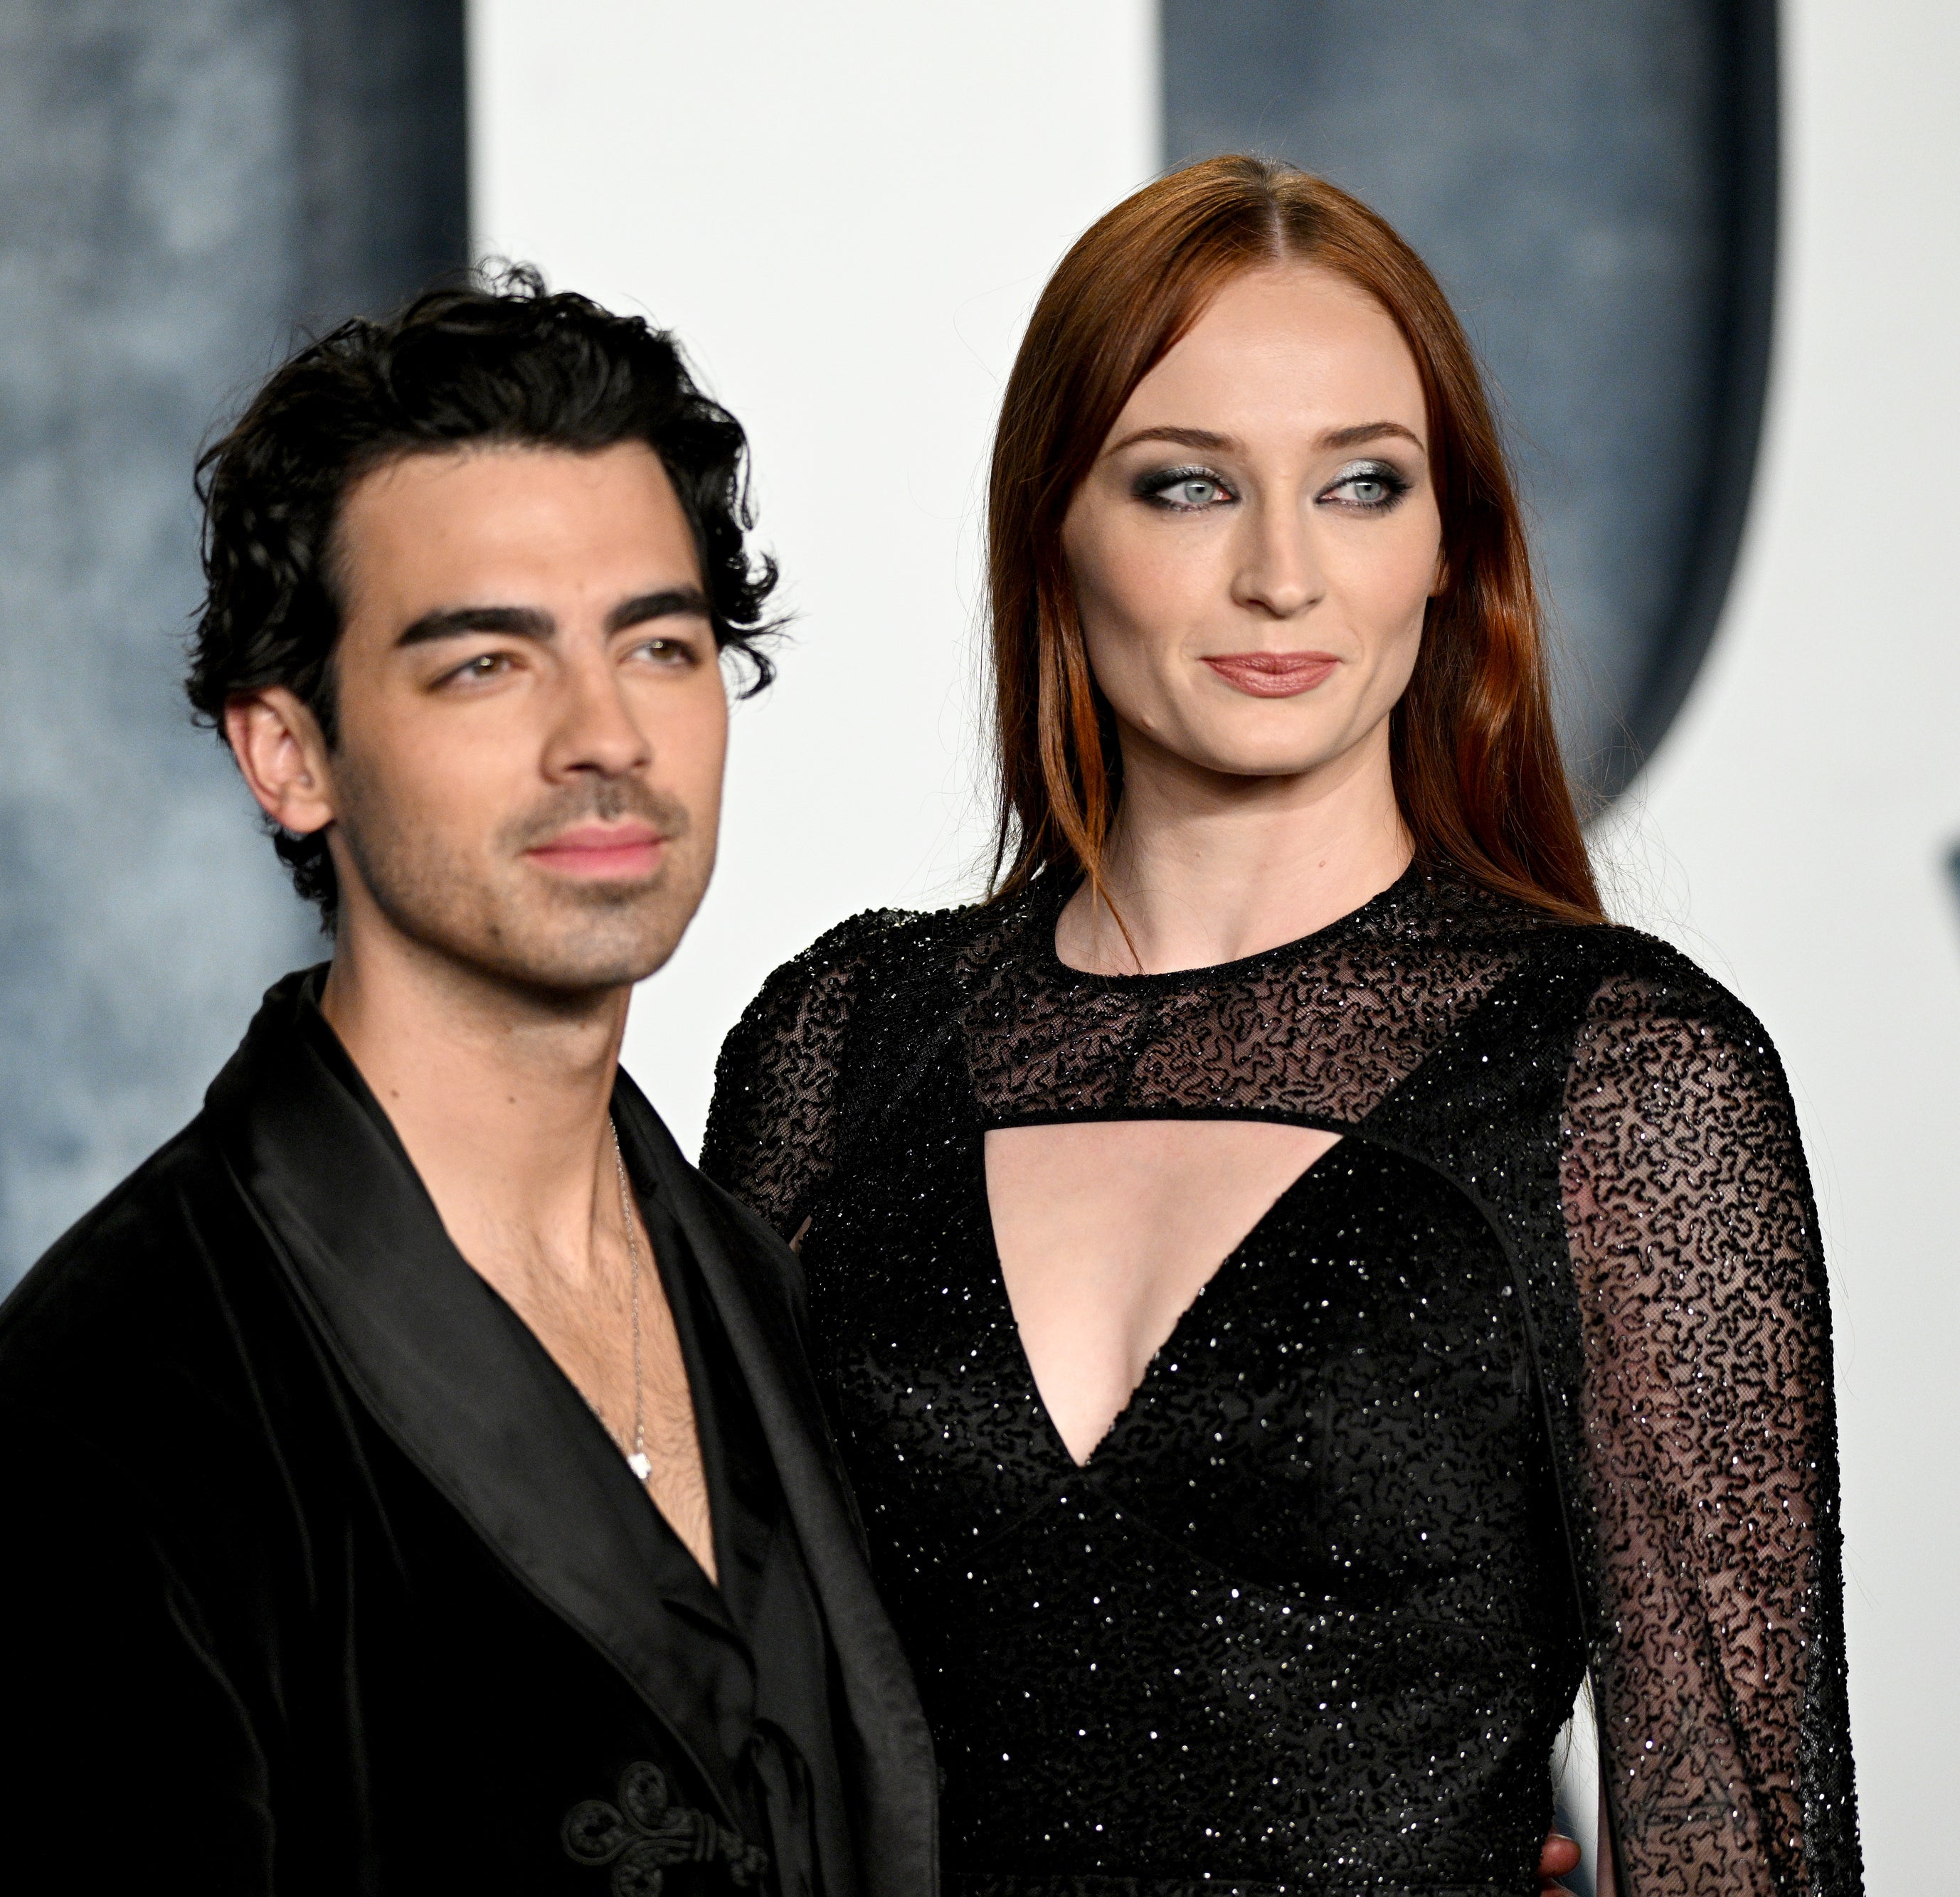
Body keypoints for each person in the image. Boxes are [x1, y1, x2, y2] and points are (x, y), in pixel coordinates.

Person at [702, 158, 1861, 1897]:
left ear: (1448, 546)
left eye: (1360, 486)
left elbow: (1741, 1845)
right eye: (1185, 485)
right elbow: (710, 1728)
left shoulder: (1623, 1081)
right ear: (1053, 529)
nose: (1279, 576)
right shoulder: (839, 1039)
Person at [0, 273, 934, 1896]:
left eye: (658, 643)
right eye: (486, 665)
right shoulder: (116, 1398)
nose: (604, 736)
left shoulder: (756, 1283)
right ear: (288, 753)